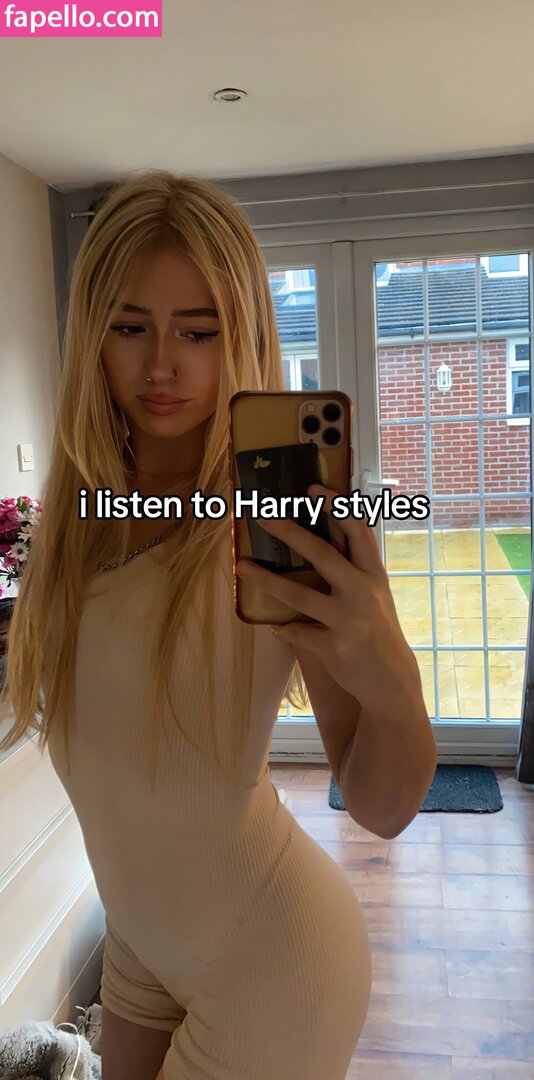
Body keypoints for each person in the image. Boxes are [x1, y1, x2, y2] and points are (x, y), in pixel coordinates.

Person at [0, 171, 437, 1080]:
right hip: (139, 943)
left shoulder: (275, 521)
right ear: (91, 336)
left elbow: (382, 808)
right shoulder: (75, 521)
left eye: (199, 332)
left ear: (244, 335)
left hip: (275, 961)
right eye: (130, 328)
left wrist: (391, 674)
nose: (162, 365)